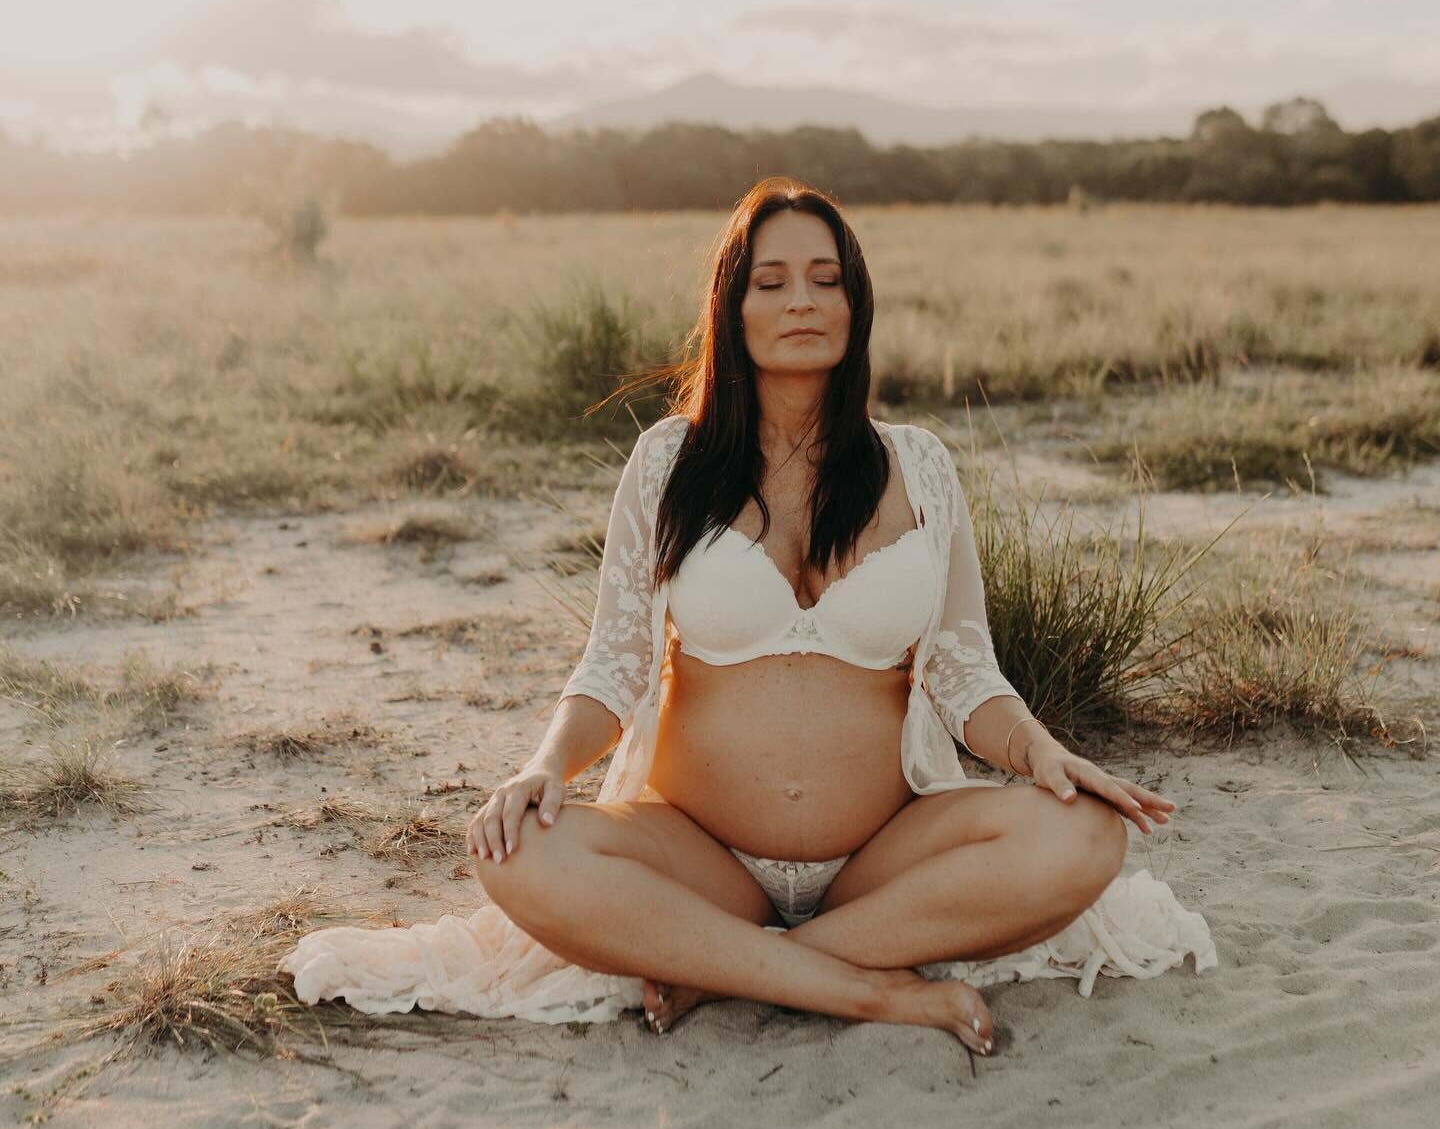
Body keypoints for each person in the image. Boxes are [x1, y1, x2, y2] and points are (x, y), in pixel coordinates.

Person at [281, 180, 1216, 1046]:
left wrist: (1041, 752)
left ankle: (733, 971)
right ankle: (873, 987)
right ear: (732, 308)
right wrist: (544, 766)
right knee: (516, 851)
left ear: (856, 304)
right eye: (771, 282)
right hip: (699, 859)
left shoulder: (919, 464)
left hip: (881, 860)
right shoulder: (668, 463)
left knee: (1088, 830)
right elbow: (614, 665)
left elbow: (965, 670)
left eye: (826, 279)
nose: (801, 302)